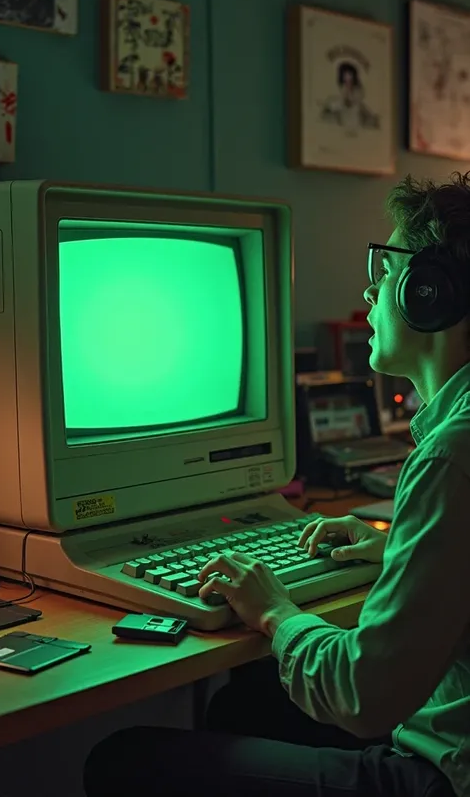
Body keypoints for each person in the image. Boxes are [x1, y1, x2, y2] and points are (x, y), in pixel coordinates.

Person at [83, 173, 470, 797]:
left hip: (442, 776)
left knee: (123, 758)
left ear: (430, 294)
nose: (370, 290)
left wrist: (272, 610)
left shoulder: (452, 454)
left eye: (388, 267)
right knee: (245, 706)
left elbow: (361, 694)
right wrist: (399, 544)